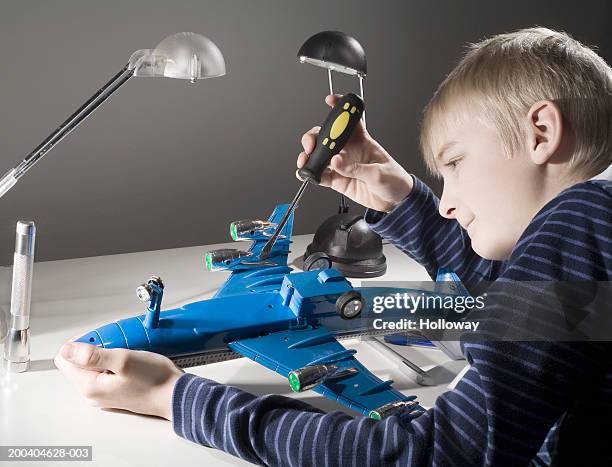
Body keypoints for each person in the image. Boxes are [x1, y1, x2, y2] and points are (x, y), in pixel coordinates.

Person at [55, 27, 612, 465]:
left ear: (541, 131)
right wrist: (401, 200)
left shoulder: (582, 215)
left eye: (456, 165)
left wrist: (178, 400)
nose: (448, 201)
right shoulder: (597, 227)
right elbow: (520, 309)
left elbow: (437, 454)